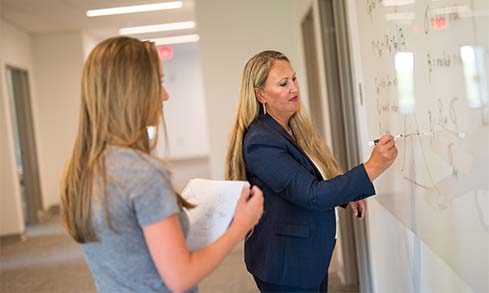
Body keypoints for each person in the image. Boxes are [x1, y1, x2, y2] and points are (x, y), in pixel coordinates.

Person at [60, 36, 264, 293]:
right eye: (159, 82)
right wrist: (240, 226)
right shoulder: (141, 173)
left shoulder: (81, 170)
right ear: (133, 92)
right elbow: (181, 277)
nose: (165, 95)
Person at [225, 50, 398, 292]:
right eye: (283, 83)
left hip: (307, 257)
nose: (294, 88)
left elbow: (309, 179)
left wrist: (347, 194)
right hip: (285, 265)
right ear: (260, 94)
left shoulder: (291, 128)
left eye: (294, 79)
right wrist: (372, 167)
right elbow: (312, 195)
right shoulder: (261, 141)